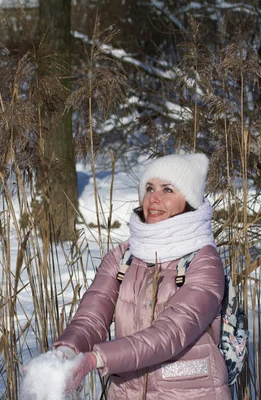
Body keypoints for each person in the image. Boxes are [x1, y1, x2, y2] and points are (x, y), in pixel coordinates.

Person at [53, 153, 231, 399]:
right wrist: (67, 350)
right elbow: (92, 315)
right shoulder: (124, 256)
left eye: (167, 189)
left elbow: (171, 333)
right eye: (149, 188)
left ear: (188, 201)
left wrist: (97, 358)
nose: (153, 198)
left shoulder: (203, 261)